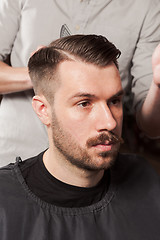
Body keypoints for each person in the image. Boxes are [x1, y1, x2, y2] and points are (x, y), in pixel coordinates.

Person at [0, 35, 160, 239]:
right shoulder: (4, 201)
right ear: (43, 110)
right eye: (84, 103)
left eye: (114, 101)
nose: (110, 123)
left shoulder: (145, 178)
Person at [0, 0, 160, 167]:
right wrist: (43, 74)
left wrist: (158, 85)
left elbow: (152, 127)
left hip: (93, 167)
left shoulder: (147, 7)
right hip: (13, 153)